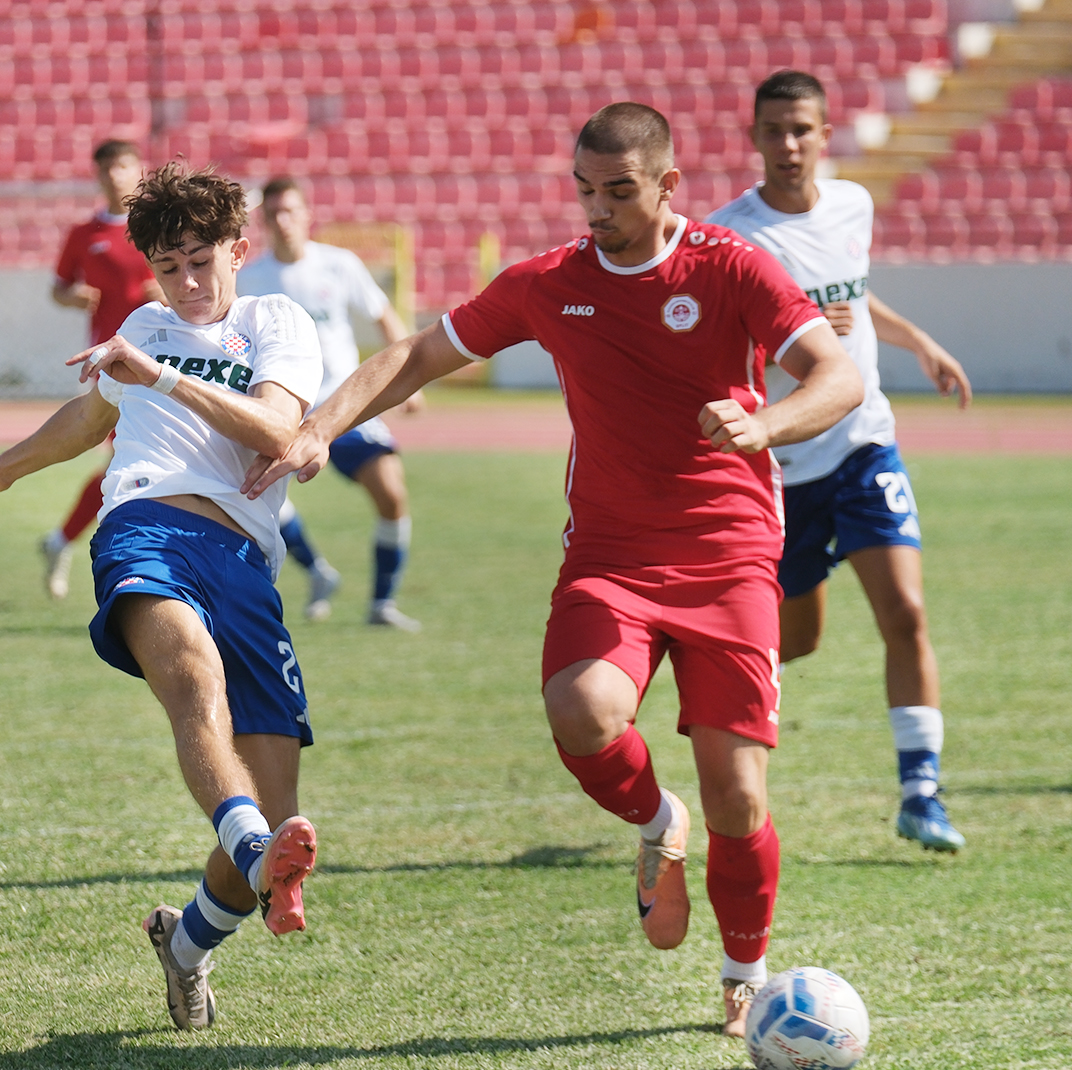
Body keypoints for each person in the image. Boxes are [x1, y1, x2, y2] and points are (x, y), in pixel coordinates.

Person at [243, 103, 864, 1035]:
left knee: (740, 793)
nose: (598, 208)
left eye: (619, 191)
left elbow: (837, 373)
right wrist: (317, 428)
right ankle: (660, 825)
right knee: (581, 711)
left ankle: (745, 970)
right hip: (611, 556)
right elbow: (418, 351)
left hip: (730, 553)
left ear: (666, 187)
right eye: (585, 189)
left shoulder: (729, 266)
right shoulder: (551, 284)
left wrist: (766, 424)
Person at [0, 162, 322, 1031]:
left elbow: (277, 427)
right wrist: (3, 470)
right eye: (168, 267)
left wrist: (158, 377)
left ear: (240, 249)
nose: (186, 284)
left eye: (201, 261)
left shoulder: (274, 321)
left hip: (244, 562)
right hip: (144, 527)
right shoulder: (142, 324)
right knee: (191, 679)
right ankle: (263, 856)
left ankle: (185, 943)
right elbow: (89, 419)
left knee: (272, 796)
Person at [706, 70, 972, 852]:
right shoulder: (730, 236)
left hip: (865, 445)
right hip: (784, 467)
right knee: (797, 640)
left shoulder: (853, 205)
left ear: (825, 135)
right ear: (753, 138)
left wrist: (918, 340)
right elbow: (723, 347)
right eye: (775, 131)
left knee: (907, 612)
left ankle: (922, 792)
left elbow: (856, 292)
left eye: (803, 130)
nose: (789, 145)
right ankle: (709, 696)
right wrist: (790, 330)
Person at [237, 176, 420, 629]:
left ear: (306, 216)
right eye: (273, 213)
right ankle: (317, 571)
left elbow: (382, 315)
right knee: (255, 492)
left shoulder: (339, 265)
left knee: (392, 493)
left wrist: (412, 382)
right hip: (286, 408)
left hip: (344, 405)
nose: (282, 221)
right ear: (262, 221)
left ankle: (382, 604)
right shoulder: (252, 277)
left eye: (290, 211)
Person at [39, 139, 165, 599]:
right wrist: (70, 297)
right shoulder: (84, 233)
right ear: (97, 175)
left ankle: (61, 542)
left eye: (124, 165)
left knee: (126, 462)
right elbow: (57, 287)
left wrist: (166, 294)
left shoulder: (160, 226)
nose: (116, 175)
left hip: (165, 358)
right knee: (123, 461)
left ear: (139, 169)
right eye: (108, 168)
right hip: (111, 363)